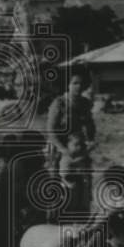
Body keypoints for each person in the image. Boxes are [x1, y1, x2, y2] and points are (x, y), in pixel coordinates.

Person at [44, 65, 96, 219]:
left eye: (81, 83)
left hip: (78, 146)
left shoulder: (85, 103)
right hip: (59, 149)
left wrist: (90, 141)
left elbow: (90, 124)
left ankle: (81, 215)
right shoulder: (59, 103)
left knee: (84, 182)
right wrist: (63, 150)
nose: (78, 87)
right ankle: (56, 218)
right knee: (61, 184)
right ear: (67, 85)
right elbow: (51, 131)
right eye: (74, 83)